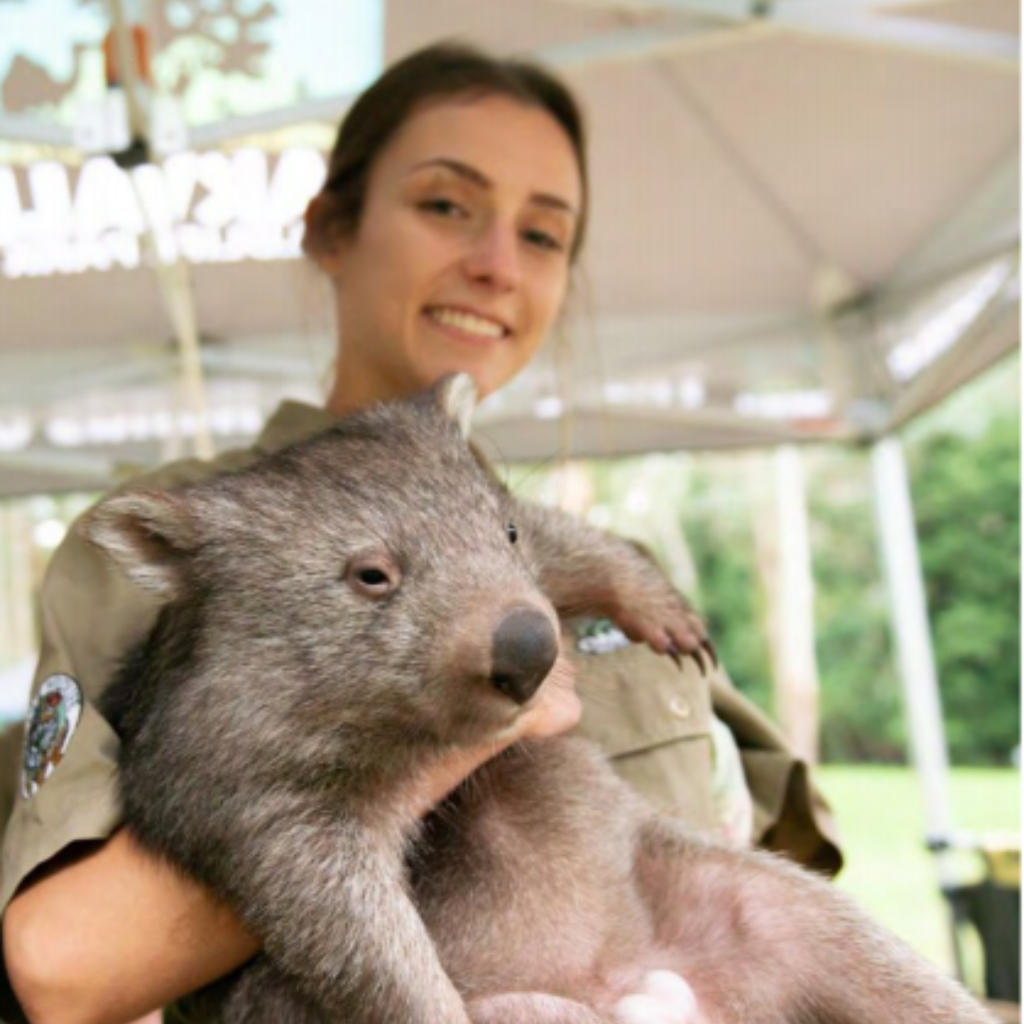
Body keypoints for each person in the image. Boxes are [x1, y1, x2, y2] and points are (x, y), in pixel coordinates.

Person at [0, 42, 840, 1024]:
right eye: (446, 205)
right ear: (328, 229)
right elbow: (65, 969)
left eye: (542, 235)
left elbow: (778, 867)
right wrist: (481, 719)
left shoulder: (615, 572)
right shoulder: (176, 548)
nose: (492, 265)